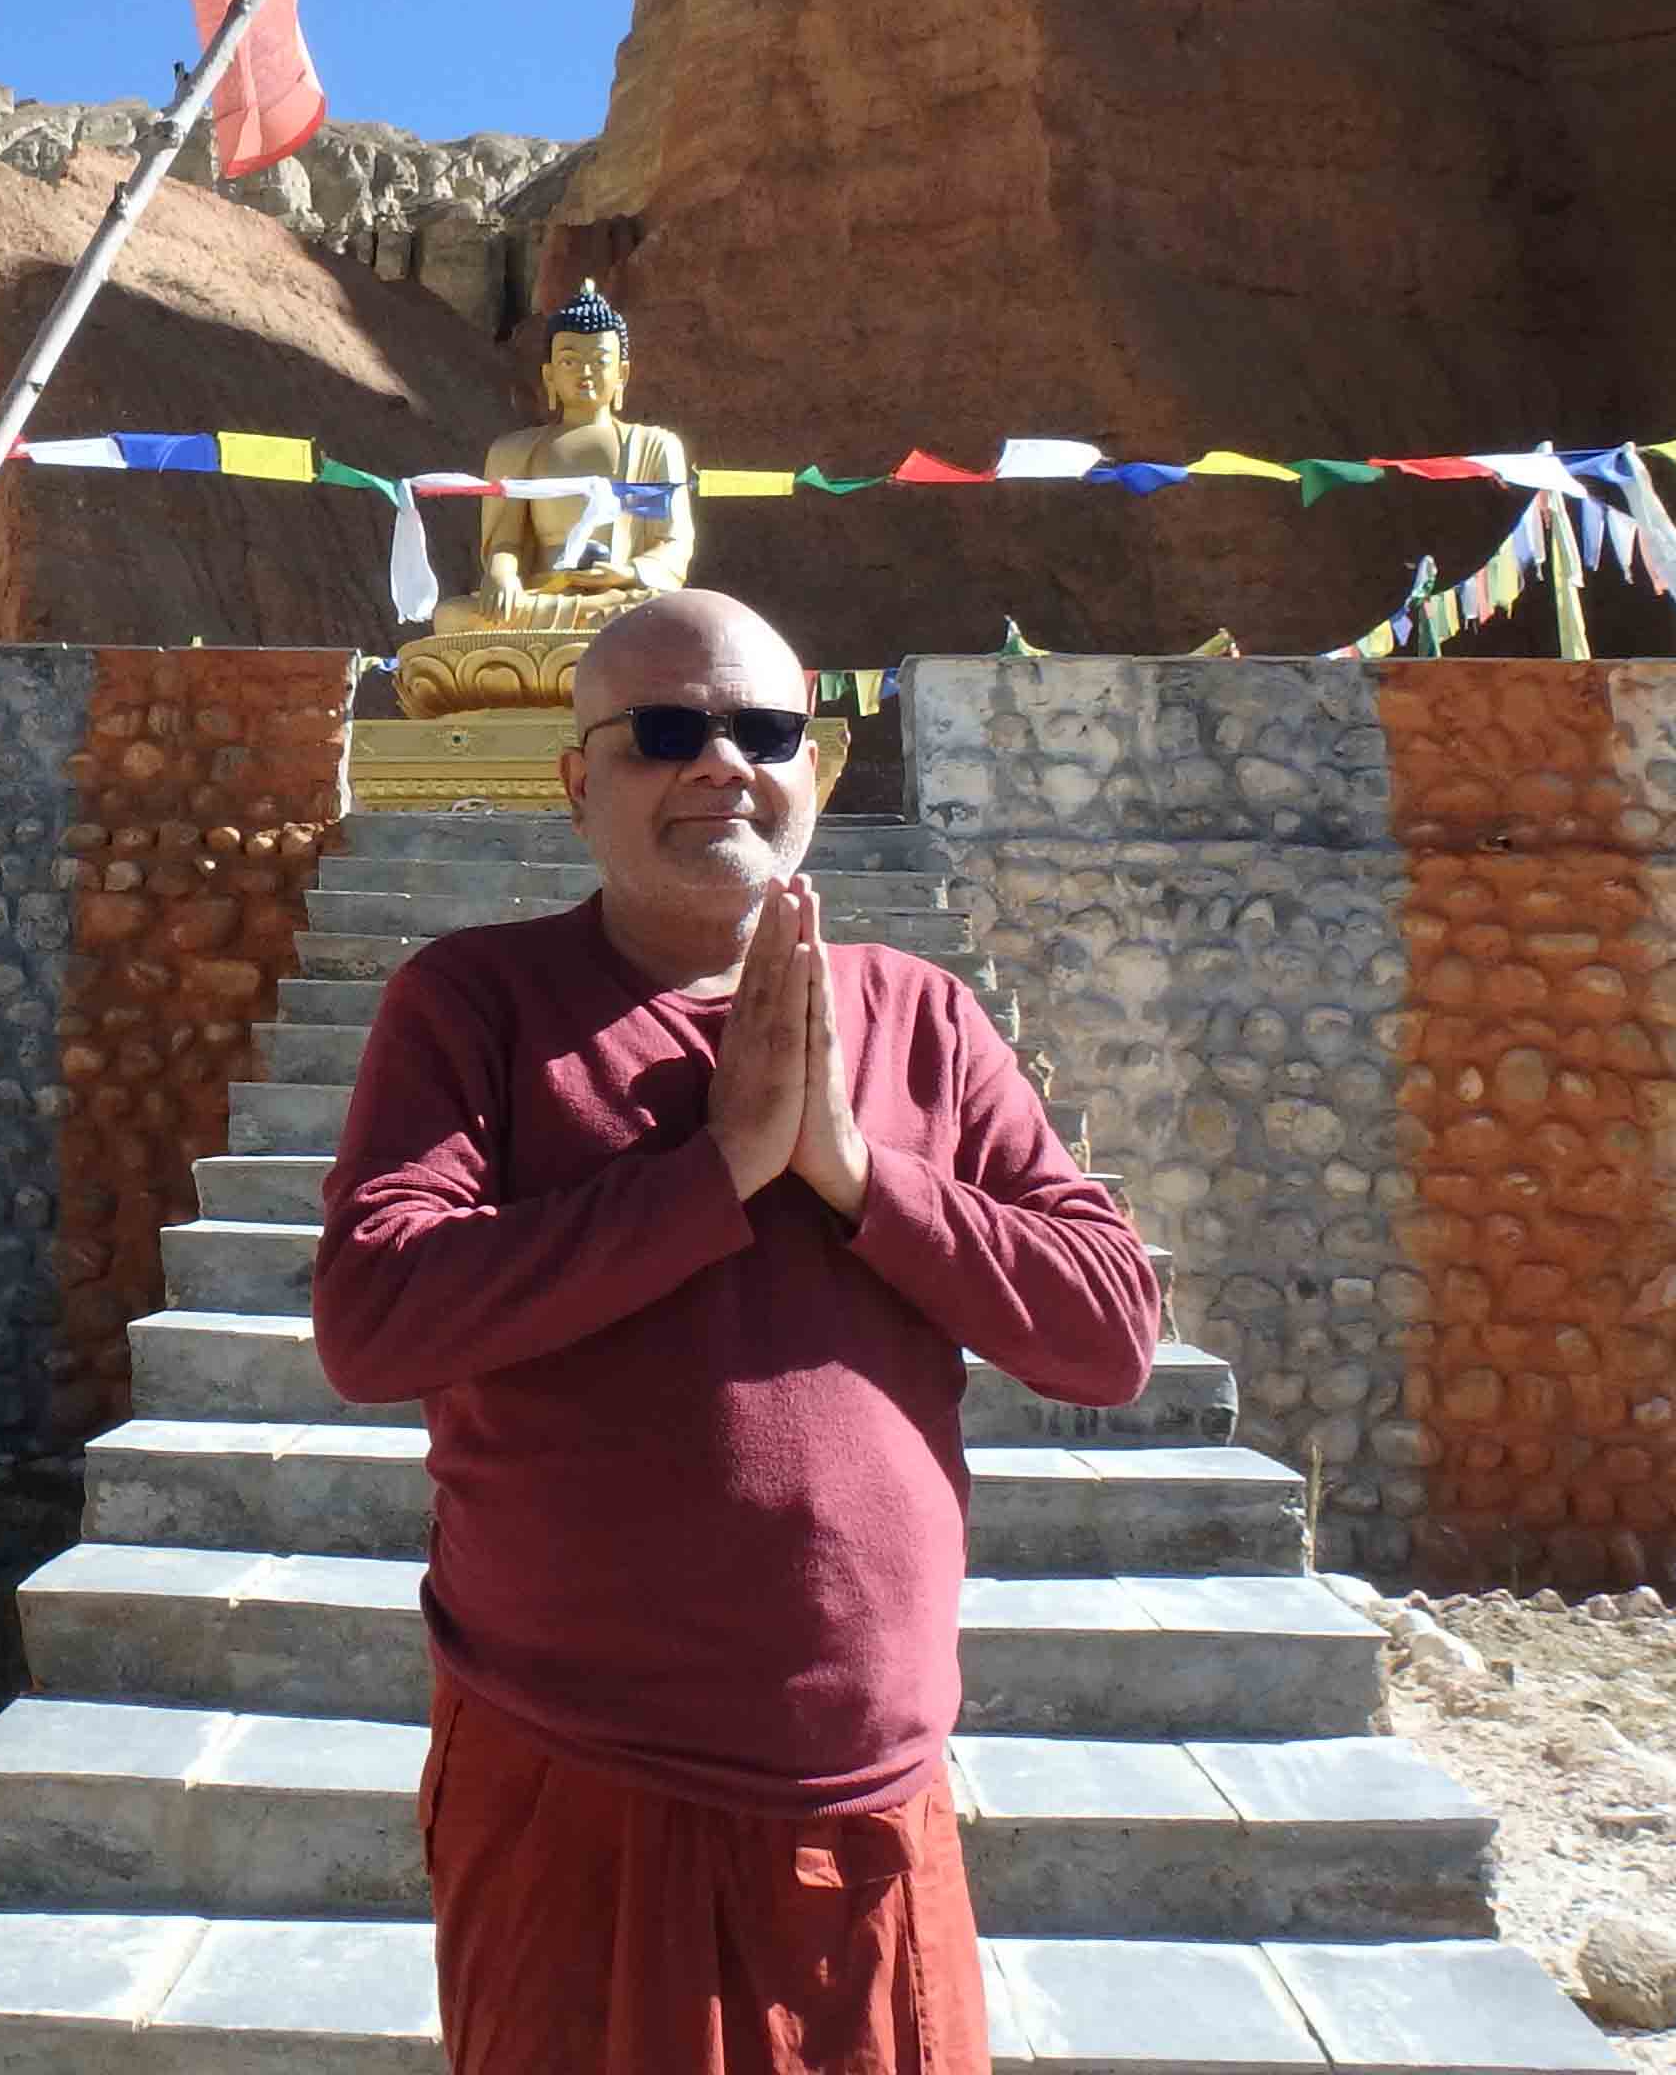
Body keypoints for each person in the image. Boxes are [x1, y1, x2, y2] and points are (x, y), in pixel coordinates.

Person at [312, 590, 1165, 2075]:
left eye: (765, 732)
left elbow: (1109, 1330)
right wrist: (712, 1173)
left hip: (868, 1787)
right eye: (664, 732)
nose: (722, 764)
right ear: (576, 781)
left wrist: (857, 1172)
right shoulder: (479, 1004)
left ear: (813, 773)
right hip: (577, 1766)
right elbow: (376, 1316)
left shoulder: (919, 1017)